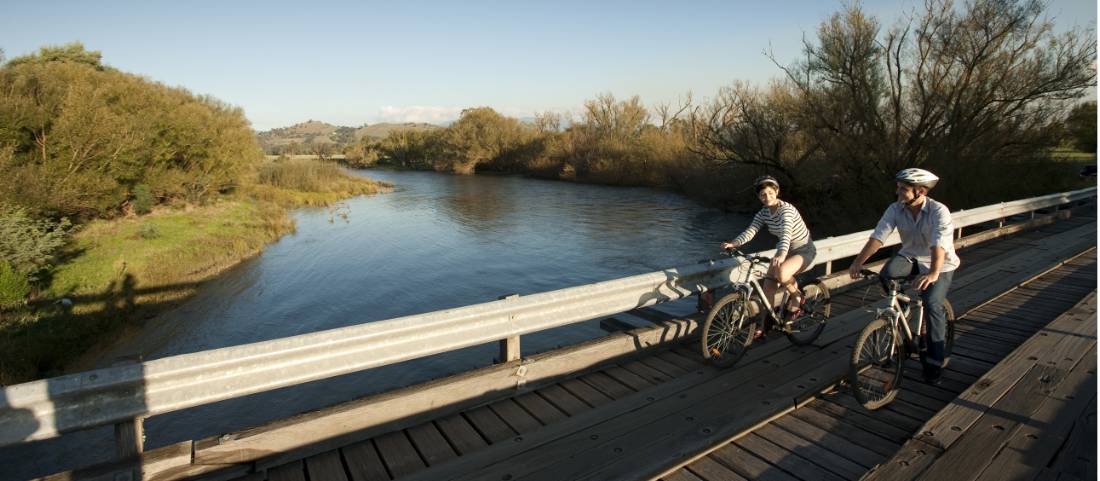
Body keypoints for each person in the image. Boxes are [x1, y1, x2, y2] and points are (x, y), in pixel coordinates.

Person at [847, 168, 960, 385]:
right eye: (898, 187)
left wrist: (934, 273)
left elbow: (939, 245)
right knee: (886, 275)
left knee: (932, 303)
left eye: (903, 189)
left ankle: (935, 361)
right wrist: (858, 262)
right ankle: (902, 315)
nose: (898, 192)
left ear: (920, 192)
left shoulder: (939, 211)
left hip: (941, 263)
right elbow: (878, 237)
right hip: (910, 257)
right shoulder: (895, 209)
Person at [721, 175, 817, 324]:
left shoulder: (787, 210)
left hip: (803, 249)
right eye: (763, 195)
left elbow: (786, 233)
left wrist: (781, 254)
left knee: (783, 272)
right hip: (784, 249)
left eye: (770, 193)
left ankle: (797, 297)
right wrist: (734, 243)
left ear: (777, 191)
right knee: (768, 289)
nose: (767, 197)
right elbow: (751, 230)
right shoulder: (763, 213)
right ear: (759, 197)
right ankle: (766, 323)